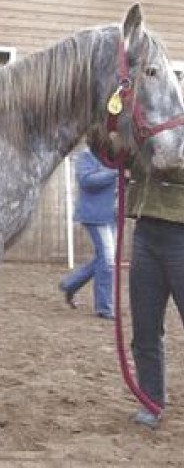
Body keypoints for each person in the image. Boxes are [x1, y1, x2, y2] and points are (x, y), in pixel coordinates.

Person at [125, 151, 184, 429]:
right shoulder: (149, 122)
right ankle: (151, 402)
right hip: (146, 230)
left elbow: (168, 164)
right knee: (144, 328)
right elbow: (121, 158)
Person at [59, 142, 117, 319]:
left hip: (110, 214)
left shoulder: (112, 155)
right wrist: (116, 173)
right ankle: (104, 307)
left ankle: (70, 284)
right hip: (95, 214)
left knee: (105, 258)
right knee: (107, 259)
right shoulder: (87, 155)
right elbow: (86, 181)